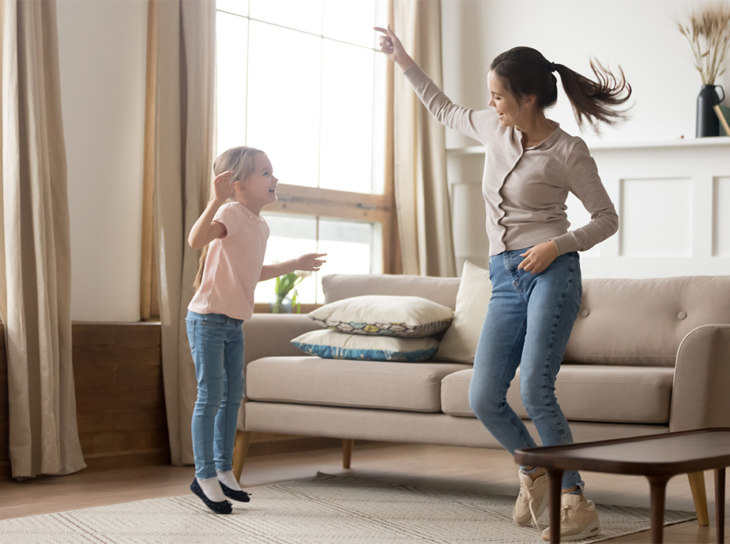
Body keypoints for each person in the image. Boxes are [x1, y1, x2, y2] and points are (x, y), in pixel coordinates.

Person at [376, 25, 630, 541]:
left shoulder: (567, 150)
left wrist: (556, 245)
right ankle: (535, 474)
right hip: (503, 276)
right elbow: (444, 109)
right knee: (484, 395)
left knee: (536, 387)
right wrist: (403, 60)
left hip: (551, 273)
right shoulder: (494, 129)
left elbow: (606, 217)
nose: (490, 103)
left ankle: (575, 500)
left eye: (497, 94)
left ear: (528, 97)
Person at [186, 146, 326, 514]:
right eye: (265, 172)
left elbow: (253, 272)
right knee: (210, 396)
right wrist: (216, 200)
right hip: (208, 319)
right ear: (238, 185)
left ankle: (222, 468)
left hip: (233, 323)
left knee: (234, 396)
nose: (274, 178)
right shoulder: (230, 211)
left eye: (272, 171)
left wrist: (294, 263)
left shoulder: (260, 224)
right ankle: (203, 475)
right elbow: (196, 241)